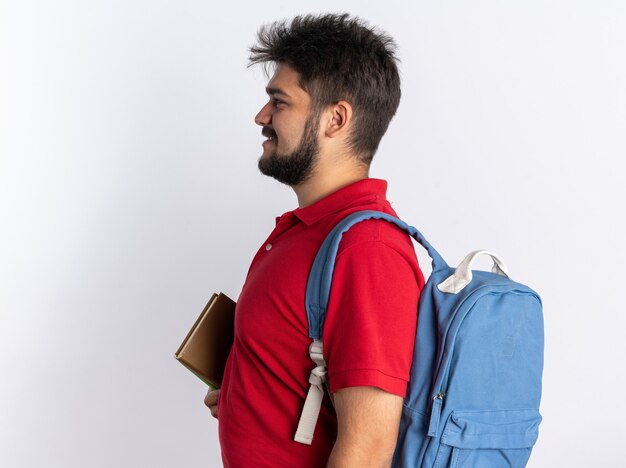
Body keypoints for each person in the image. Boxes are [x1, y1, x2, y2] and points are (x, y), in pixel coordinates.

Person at [205, 13, 425, 467]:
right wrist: (245, 393)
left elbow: (366, 450)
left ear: (335, 119)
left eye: (279, 102)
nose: (261, 117)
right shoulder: (308, 230)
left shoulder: (368, 249)